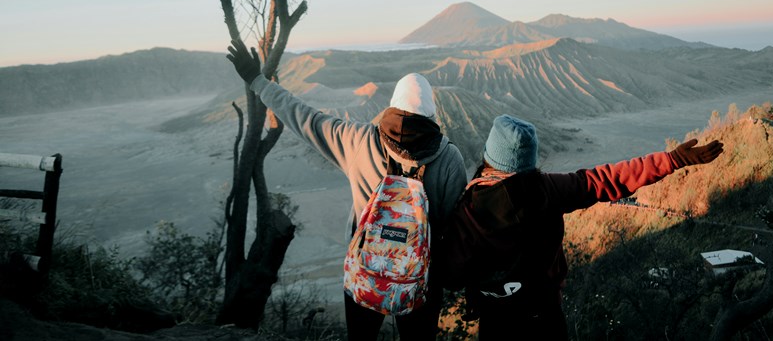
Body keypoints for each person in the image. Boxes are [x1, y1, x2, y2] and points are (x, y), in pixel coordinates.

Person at [226, 39, 467, 341]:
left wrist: (256, 80)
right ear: (431, 114)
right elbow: (451, 228)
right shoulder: (449, 158)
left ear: (392, 105)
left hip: (366, 270)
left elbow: (303, 117)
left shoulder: (357, 140)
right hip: (420, 278)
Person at [441, 114, 724, 340]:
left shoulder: (467, 210)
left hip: (497, 320)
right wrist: (672, 159)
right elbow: (608, 179)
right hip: (546, 315)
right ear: (528, 162)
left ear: (490, 157)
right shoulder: (550, 189)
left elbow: (451, 275)